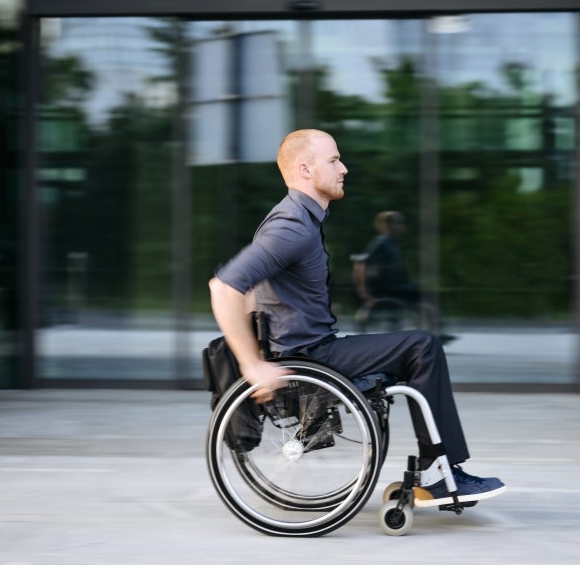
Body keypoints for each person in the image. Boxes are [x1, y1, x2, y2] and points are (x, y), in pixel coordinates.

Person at [208, 129, 505, 507]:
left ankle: (438, 471)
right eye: (333, 161)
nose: (343, 168)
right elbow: (225, 287)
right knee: (423, 346)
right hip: (310, 356)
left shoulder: (298, 219)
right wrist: (253, 364)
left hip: (310, 350)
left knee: (415, 348)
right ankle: (438, 474)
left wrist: (265, 337)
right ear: (304, 168)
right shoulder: (291, 226)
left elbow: (252, 288)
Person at [354, 210, 452, 340]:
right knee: (428, 296)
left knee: (428, 296)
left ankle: (430, 329)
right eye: (398, 223)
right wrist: (363, 290)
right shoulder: (381, 242)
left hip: (399, 286)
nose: (401, 226)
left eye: (402, 223)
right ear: (387, 226)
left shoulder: (392, 243)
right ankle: (430, 330)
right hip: (390, 288)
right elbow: (362, 263)